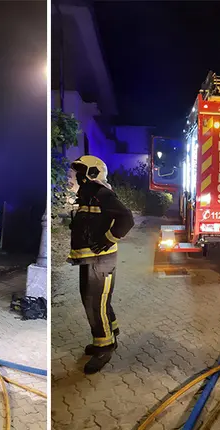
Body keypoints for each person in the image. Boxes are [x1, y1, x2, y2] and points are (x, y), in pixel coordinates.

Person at [67, 155, 135, 374]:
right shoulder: (87, 196)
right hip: (89, 259)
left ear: (92, 173)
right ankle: (109, 334)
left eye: (80, 172)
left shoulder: (101, 193)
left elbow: (126, 218)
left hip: (101, 261)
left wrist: (107, 240)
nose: (76, 176)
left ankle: (104, 347)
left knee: (95, 303)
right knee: (95, 302)